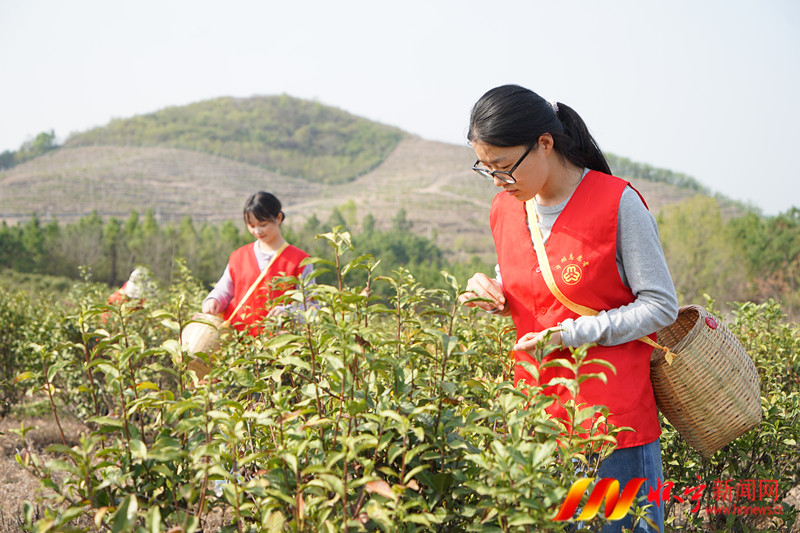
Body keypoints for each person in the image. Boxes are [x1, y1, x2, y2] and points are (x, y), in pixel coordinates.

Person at [458, 85, 678, 533]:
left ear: (544, 143)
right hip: (537, 420)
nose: (500, 181)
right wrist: (490, 289)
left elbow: (660, 306)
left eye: (504, 168)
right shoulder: (505, 209)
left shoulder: (617, 202)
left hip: (611, 423)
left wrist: (572, 335)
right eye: (488, 170)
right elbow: (533, 283)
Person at [202, 191, 312, 335]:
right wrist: (213, 300)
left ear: (278, 218)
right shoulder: (238, 257)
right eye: (251, 225)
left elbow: (310, 306)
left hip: (278, 347)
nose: (257, 231)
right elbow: (224, 291)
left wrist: (288, 313)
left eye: (263, 224)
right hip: (236, 343)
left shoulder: (300, 261)